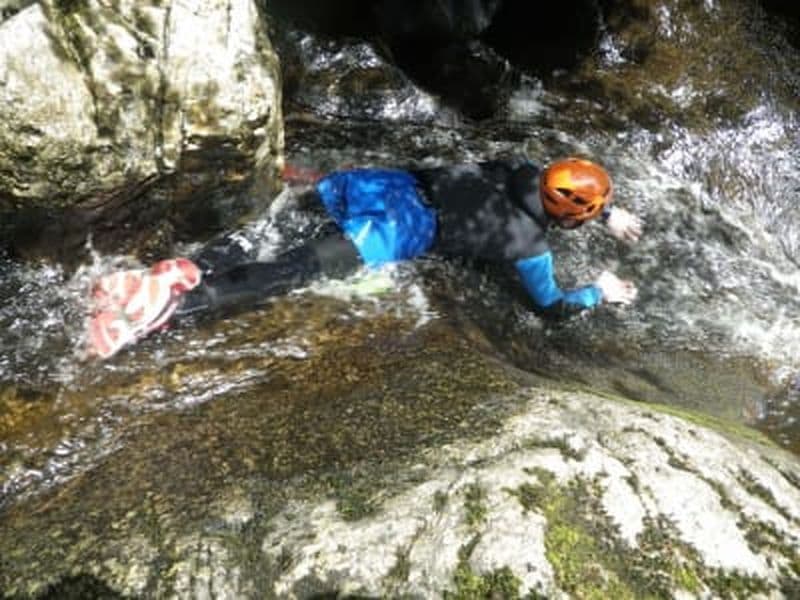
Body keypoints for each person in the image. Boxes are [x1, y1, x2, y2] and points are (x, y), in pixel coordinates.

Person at [86, 156, 642, 359]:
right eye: (591, 213)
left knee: (282, 223)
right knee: (290, 272)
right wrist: (599, 291)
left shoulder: (519, 168)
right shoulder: (531, 248)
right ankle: (168, 312)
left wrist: (609, 209)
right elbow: (551, 308)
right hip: (386, 231)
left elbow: (560, 183)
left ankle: (195, 263)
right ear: (571, 217)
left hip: (375, 185)